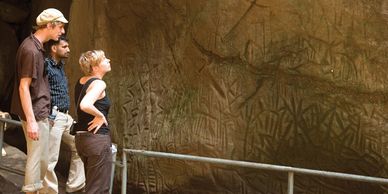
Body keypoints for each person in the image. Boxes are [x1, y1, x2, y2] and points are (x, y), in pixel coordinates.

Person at [10, 8, 68, 194]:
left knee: (43, 160)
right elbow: (23, 87)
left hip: (40, 112)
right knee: (37, 159)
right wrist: (32, 121)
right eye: (60, 26)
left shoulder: (36, 47)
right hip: (35, 113)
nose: (62, 31)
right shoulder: (31, 50)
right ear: (49, 25)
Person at [45, 36, 86, 194]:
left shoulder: (60, 66)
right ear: (54, 48)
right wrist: (47, 114)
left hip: (65, 116)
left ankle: (75, 187)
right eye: (65, 46)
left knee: (80, 145)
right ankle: (49, 192)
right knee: (50, 158)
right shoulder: (45, 66)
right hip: (53, 116)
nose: (68, 49)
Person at [74, 50, 112, 194]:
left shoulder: (82, 81)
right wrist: (100, 115)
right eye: (104, 59)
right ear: (95, 67)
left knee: (92, 185)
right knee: (98, 189)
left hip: (82, 140)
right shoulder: (99, 84)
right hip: (97, 140)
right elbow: (85, 104)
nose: (108, 60)